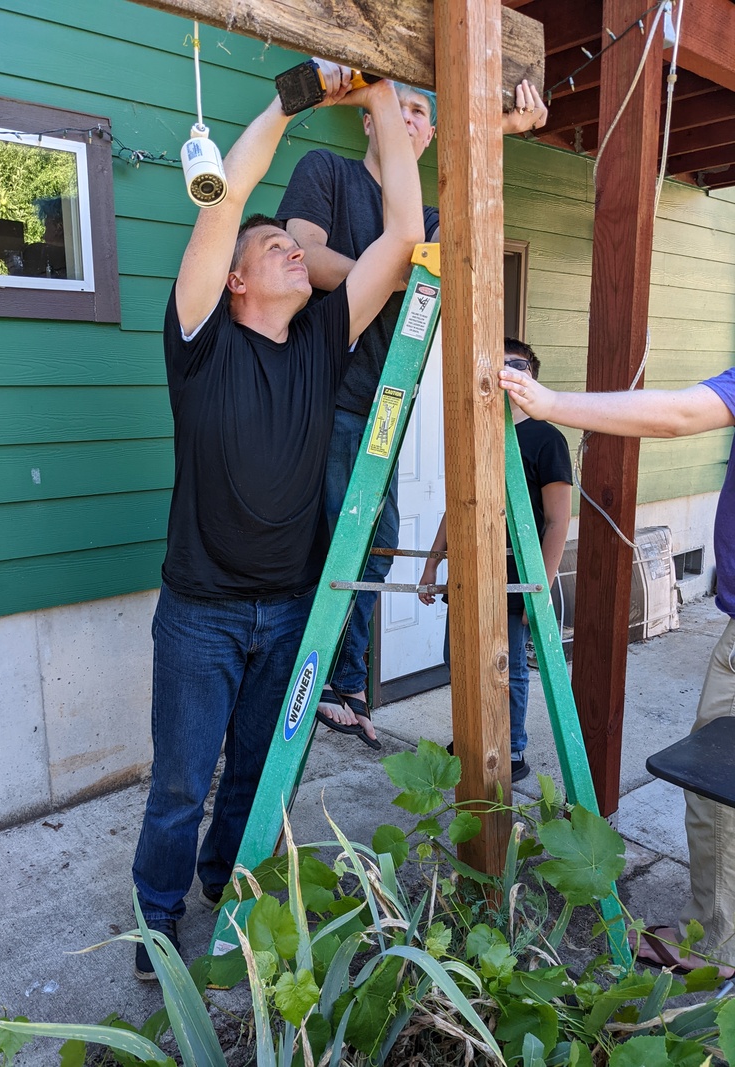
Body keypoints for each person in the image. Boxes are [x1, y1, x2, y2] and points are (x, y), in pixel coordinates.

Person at [131, 72, 424, 979]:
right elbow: (229, 203)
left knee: (261, 776)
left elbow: (406, 239)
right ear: (235, 278)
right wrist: (294, 101)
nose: (296, 253)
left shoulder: (323, 343)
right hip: (202, 615)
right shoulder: (200, 339)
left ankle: (228, 887)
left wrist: (382, 103)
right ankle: (156, 920)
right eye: (275, 249)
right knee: (181, 783)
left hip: (289, 611)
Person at [277, 64, 549, 748]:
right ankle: (318, 684)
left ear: (428, 138)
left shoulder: (429, 219)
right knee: (333, 542)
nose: (408, 119)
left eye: (422, 114)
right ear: (367, 118)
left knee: (376, 545)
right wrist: (394, 270)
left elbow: (463, 245)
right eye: (394, 106)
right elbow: (304, 257)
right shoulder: (327, 173)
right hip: (321, 392)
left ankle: (343, 683)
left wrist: (504, 129)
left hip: (385, 399)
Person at [499, 361, 735, 978]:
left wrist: (548, 402)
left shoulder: (543, 441)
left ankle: (717, 944)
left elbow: (679, 413)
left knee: (720, 796)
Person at [418, 340, 572, 782]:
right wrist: (432, 565)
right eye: (496, 365)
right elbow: (456, 507)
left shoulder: (548, 438)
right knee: (460, 658)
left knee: (508, 668)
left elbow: (558, 521)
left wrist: (538, 586)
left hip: (514, 575)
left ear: (531, 378)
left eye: (516, 366)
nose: (505, 372)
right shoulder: (478, 433)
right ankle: (471, 738)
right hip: (467, 573)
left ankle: (512, 747)